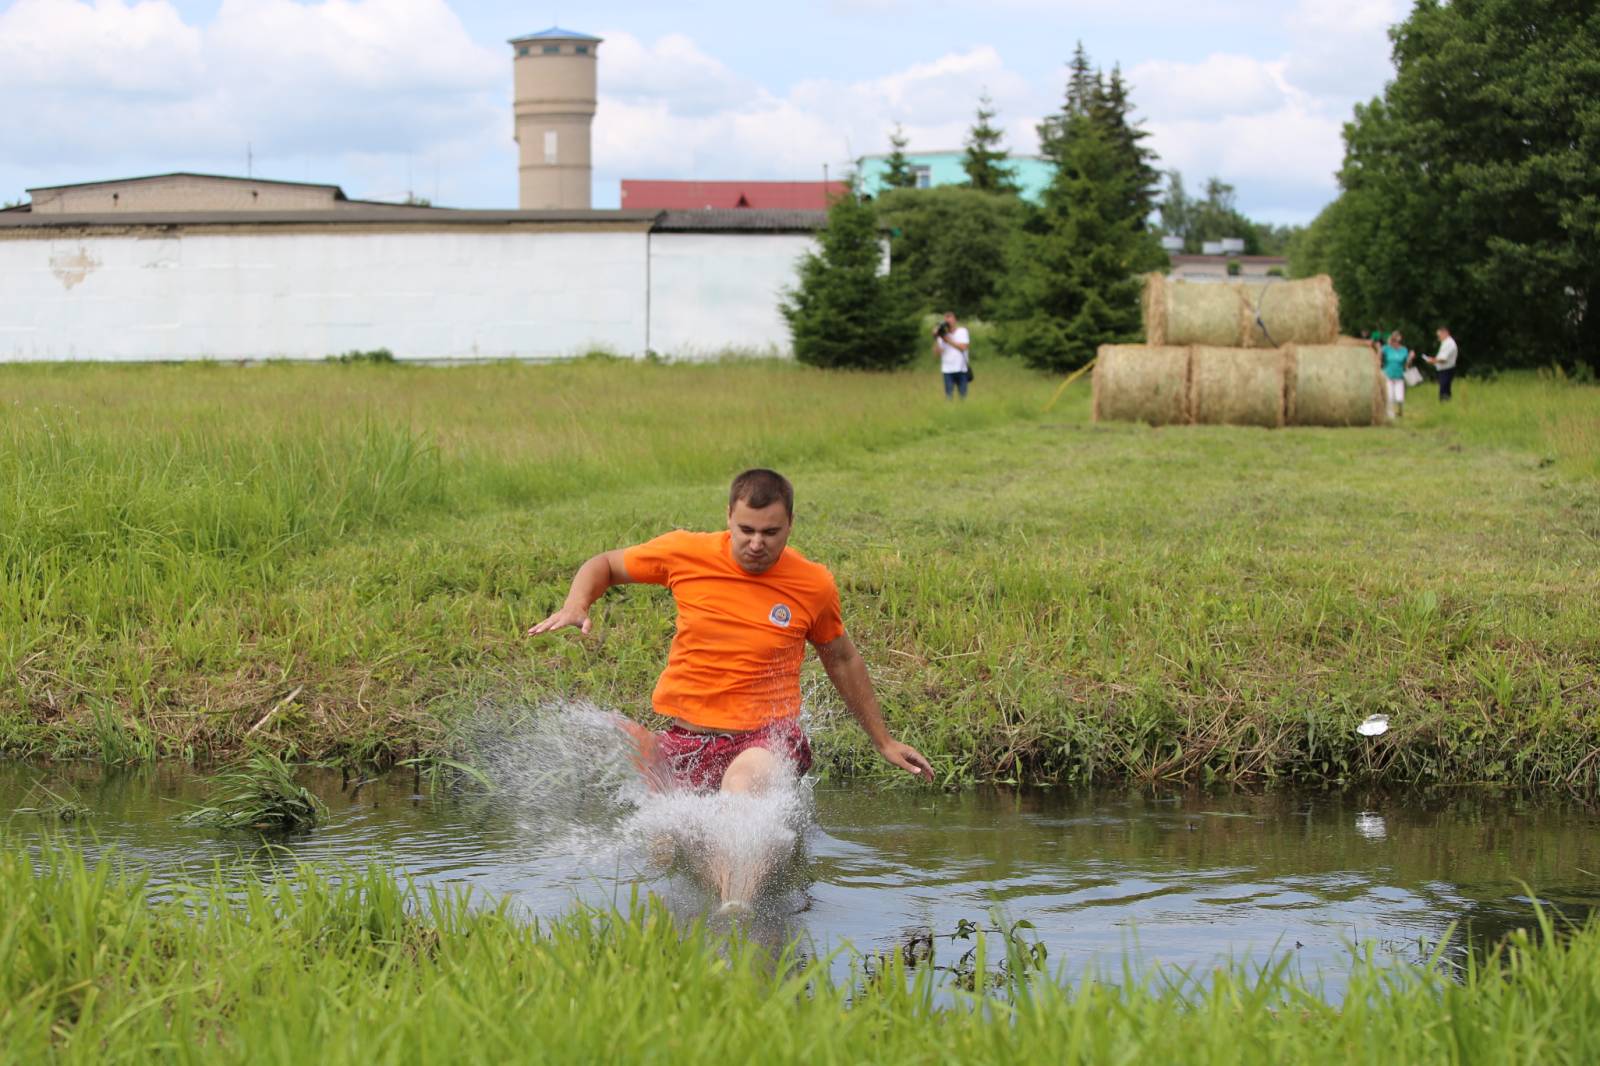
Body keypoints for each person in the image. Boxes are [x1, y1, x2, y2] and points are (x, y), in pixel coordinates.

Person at [527, 468, 934, 903]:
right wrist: (576, 603)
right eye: (746, 530)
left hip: (765, 737)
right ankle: (733, 885)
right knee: (666, 841)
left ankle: (736, 911)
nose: (757, 543)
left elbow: (842, 657)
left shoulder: (813, 583)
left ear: (790, 525)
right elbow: (605, 564)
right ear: (728, 518)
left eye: (771, 532)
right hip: (688, 738)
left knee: (740, 792)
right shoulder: (686, 553)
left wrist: (884, 740)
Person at [934, 311, 971, 399]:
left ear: (955, 321)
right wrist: (936, 337)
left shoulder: (962, 331)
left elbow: (963, 347)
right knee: (949, 396)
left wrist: (947, 340)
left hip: (961, 369)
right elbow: (937, 353)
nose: (949, 324)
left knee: (963, 396)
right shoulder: (942, 335)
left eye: (950, 321)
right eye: (947, 322)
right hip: (947, 370)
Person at [1380, 329, 1415, 419]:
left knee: (1399, 398)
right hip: (1388, 375)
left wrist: (1410, 358)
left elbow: (1407, 364)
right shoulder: (1386, 349)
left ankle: (1400, 412)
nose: (1394, 342)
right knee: (1390, 396)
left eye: (1396, 341)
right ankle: (1390, 414)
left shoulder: (1403, 350)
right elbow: (1379, 357)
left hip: (1399, 376)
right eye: (1393, 340)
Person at [1425, 326, 1458, 401]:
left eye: (1439, 336)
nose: (1438, 338)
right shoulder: (1445, 343)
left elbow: (1443, 359)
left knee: (1444, 390)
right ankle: (1445, 405)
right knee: (1444, 388)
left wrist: (1432, 361)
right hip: (1444, 369)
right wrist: (1433, 359)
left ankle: (1445, 405)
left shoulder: (1449, 343)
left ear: (1445, 333)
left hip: (1446, 370)